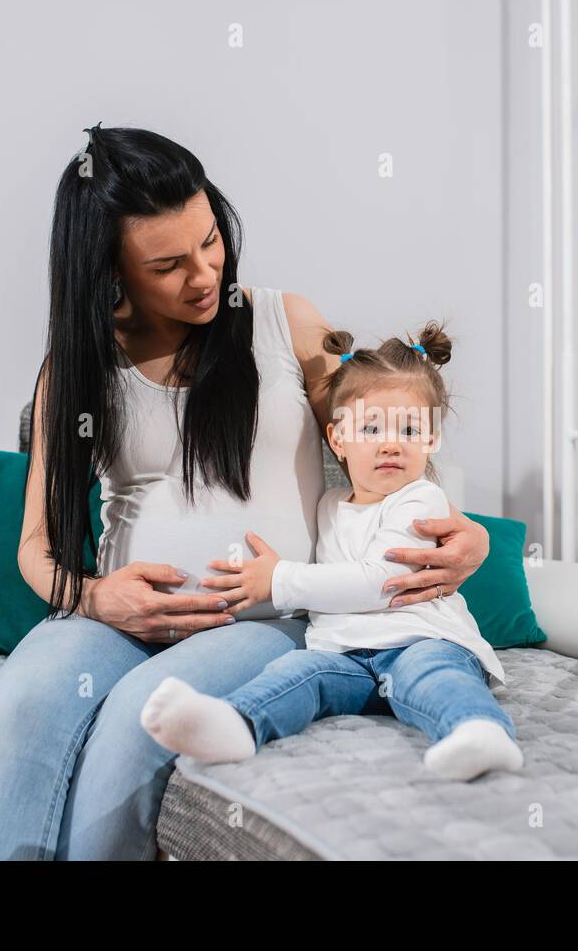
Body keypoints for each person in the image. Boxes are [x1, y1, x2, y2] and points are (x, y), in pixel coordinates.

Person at [0, 125, 490, 860]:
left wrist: (470, 531)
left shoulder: (286, 325)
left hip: (264, 616)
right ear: (109, 272)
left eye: (210, 241)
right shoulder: (72, 371)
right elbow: (35, 549)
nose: (203, 274)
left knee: (138, 718)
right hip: (110, 620)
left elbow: (384, 442)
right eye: (167, 264)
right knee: (17, 713)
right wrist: (100, 598)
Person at [141, 322, 522, 781]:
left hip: (420, 642)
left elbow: (379, 582)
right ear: (338, 438)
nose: (389, 442)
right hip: (348, 658)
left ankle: (479, 731)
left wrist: (279, 580)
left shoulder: (421, 499)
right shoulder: (328, 504)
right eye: (371, 427)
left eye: (409, 429)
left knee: (432, 675)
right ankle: (237, 723)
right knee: (300, 672)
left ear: (431, 440)